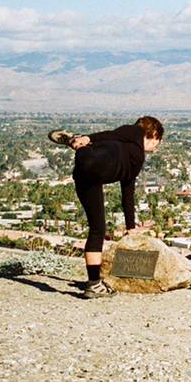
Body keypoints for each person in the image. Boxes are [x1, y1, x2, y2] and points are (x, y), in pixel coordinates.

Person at [49, 117, 164, 299]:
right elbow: (112, 134)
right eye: (158, 141)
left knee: (98, 230)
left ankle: (94, 284)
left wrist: (130, 228)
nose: (157, 147)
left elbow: (128, 192)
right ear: (154, 134)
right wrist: (87, 138)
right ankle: (75, 140)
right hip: (90, 160)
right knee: (86, 156)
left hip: (88, 177)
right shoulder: (136, 132)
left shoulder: (136, 159)